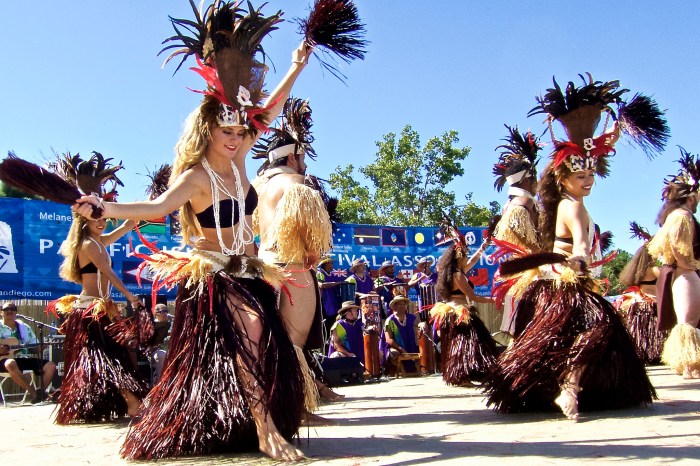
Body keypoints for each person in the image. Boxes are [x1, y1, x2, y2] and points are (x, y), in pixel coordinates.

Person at [73, 4, 317, 461]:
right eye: (225, 130)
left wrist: (295, 68)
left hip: (252, 270)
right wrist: (104, 205)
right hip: (215, 273)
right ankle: (265, 431)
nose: (235, 136)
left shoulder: (241, 158)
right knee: (252, 325)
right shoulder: (196, 177)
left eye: (240, 130)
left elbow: (269, 110)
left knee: (270, 338)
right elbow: (155, 207)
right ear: (207, 129)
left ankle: (252, 420)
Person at [484, 74, 664, 421]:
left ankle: (547, 386)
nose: (589, 181)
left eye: (592, 176)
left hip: (558, 280)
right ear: (564, 178)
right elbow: (580, 245)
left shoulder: (555, 205)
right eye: (582, 176)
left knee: (557, 337)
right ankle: (570, 386)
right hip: (568, 280)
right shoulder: (571, 207)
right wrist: (580, 261)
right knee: (600, 329)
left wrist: (596, 142)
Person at [49, 152, 148, 423]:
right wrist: (131, 297)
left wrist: (129, 223)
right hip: (90, 309)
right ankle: (132, 403)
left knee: (109, 358)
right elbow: (110, 274)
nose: (102, 222)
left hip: (99, 308)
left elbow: (112, 236)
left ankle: (111, 405)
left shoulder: (97, 241)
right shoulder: (89, 245)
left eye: (103, 219)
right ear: (85, 221)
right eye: (97, 220)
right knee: (109, 358)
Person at [252, 97, 333, 416]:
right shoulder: (297, 183)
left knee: (271, 344)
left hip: (264, 269)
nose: (306, 164)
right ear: (295, 155)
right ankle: (294, 409)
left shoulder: (260, 187)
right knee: (292, 345)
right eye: (304, 157)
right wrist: (312, 253)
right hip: (293, 269)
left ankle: (276, 407)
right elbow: (311, 238)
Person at [647, 148, 700, 379]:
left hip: (679, 273)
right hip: (684, 274)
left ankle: (689, 365)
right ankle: (689, 366)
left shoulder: (674, 215)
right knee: (688, 321)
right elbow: (679, 247)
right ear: (691, 196)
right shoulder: (683, 216)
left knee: (687, 320)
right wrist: (690, 266)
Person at [430, 221, 497, 387]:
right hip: (459, 312)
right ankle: (463, 377)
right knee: (470, 344)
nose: (468, 257)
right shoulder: (458, 276)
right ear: (460, 256)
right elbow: (472, 296)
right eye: (466, 254)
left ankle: (462, 376)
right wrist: (494, 300)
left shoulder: (456, 272)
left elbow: (473, 261)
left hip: (454, 311)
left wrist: (483, 247)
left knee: (463, 345)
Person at [491, 126, 542, 336]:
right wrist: (542, 254)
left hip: (516, 272)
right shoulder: (523, 202)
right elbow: (524, 236)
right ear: (526, 179)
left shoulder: (507, 204)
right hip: (531, 271)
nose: (537, 182)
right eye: (535, 177)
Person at [615, 222, 666, 364]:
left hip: (637, 303)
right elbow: (668, 282)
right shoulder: (655, 269)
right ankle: (657, 353)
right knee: (654, 333)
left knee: (641, 334)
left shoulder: (637, 271)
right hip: (653, 303)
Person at [0, 302, 57, 403]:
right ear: (1, 312)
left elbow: (32, 348)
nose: (10, 311)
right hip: (3, 361)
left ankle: (41, 393)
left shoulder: (24, 327)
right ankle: (33, 393)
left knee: (50, 365)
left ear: (16, 312)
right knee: (10, 363)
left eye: (13, 309)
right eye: (6, 309)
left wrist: (40, 348)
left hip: (23, 358)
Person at [380, 296, 421, 374]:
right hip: (396, 347)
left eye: (404, 304)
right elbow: (388, 339)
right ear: (394, 306)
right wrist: (401, 349)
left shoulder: (411, 317)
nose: (403, 306)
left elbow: (418, 323)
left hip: (410, 346)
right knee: (394, 353)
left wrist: (422, 324)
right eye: (400, 304)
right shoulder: (390, 321)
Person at [317, 256, 344, 337]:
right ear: (326, 264)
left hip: (334, 303)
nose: (332, 265)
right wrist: (336, 283)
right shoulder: (320, 273)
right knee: (326, 326)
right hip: (325, 304)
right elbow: (321, 285)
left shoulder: (332, 274)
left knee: (334, 324)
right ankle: (326, 346)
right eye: (330, 263)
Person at [408, 257, 438, 322]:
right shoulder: (417, 275)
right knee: (424, 322)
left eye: (427, 264)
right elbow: (409, 284)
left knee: (435, 322)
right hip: (422, 303)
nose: (426, 266)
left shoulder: (436, 275)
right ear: (421, 266)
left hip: (435, 302)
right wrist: (420, 279)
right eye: (423, 264)